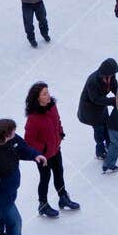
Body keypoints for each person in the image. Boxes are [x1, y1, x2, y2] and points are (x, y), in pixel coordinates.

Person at [24, 81, 80, 216]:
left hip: (56, 149)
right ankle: (43, 204)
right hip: (43, 156)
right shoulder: (33, 118)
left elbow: (58, 121)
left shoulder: (52, 106)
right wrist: (43, 150)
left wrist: (60, 134)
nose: (48, 96)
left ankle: (63, 198)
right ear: (37, 98)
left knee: (59, 173)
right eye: (44, 94)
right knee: (45, 178)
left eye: (47, 92)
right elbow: (29, 141)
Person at [78, 59, 118, 161]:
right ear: (105, 73)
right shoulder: (93, 81)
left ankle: (110, 145)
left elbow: (114, 86)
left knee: (108, 125)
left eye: (113, 74)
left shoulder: (111, 76)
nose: (113, 76)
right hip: (90, 111)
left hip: (101, 107)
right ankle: (100, 152)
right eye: (111, 74)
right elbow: (95, 99)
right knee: (99, 130)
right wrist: (112, 101)